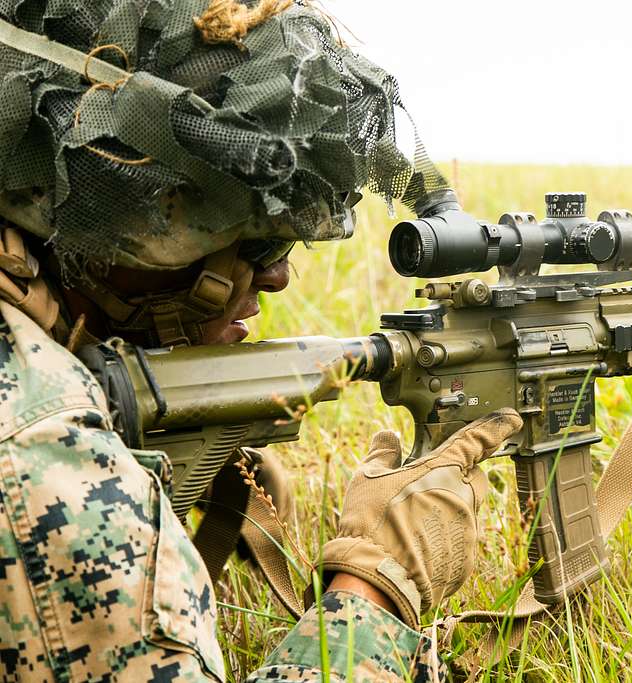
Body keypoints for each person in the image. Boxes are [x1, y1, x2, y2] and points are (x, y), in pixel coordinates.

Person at [0, 0, 520, 680]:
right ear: (122, 237)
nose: (275, 275)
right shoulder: (39, 462)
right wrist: (376, 589)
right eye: (256, 241)